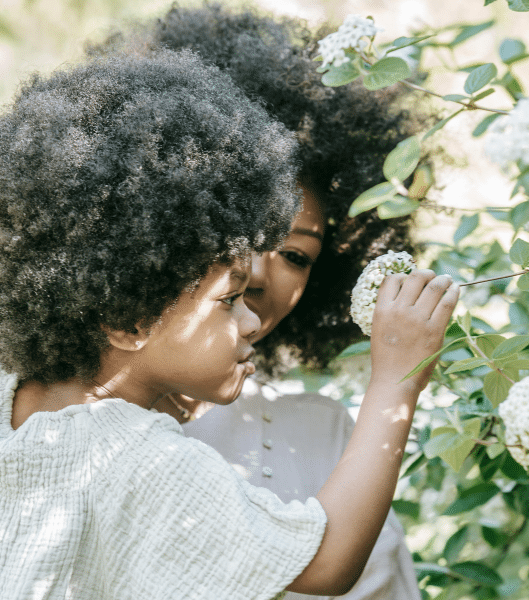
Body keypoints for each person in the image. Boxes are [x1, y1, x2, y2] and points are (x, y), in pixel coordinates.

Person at [0, 47, 459, 600]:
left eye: (294, 255)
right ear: (129, 320)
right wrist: (396, 381)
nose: (250, 316)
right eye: (229, 298)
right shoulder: (144, 460)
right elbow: (329, 561)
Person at [89, 5, 434, 599]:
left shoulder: (324, 436)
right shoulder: (20, 410)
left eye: (296, 254)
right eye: (240, 233)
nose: (253, 273)